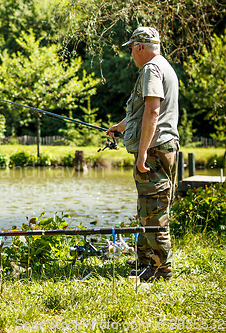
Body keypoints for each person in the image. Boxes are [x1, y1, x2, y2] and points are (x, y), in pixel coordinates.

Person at [107, 27, 180, 281]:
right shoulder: (164, 66)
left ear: (139, 47)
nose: (131, 55)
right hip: (164, 146)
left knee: (154, 211)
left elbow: (152, 112)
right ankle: (146, 262)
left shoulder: (150, 69)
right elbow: (141, 110)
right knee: (148, 209)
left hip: (155, 149)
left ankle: (162, 271)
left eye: (131, 49)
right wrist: (120, 127)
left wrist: (142, 154)